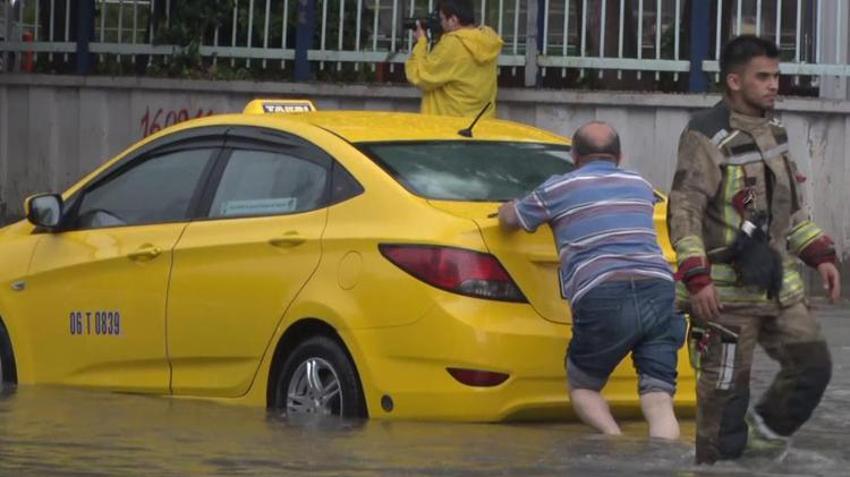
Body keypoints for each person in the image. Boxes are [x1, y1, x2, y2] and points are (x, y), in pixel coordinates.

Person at [668, 35, 841, 465]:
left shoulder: (775, 134)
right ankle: (722, 464)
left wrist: (820, 254)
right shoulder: (704, 134)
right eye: (762, 77)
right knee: (723, 411)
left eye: (776, 76)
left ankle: (761, 443)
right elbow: (685, 209)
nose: (773, 85)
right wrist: (696, 276)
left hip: (777, 287)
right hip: (723, 299)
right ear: (733, 81)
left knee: (813, 366)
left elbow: (789, 213)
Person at [499, 121, 684, 439]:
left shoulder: (558, 188)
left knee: (583, 387)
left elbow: (510, 220)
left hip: (603, 293)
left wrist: (507, 207)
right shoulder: (640, 183)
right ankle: (664, 462)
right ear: (620, 155)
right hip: (661, 290)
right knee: (659, 398)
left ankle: (611, 442)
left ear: (574, 156)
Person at [404, 0, 503, 118]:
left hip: (450, 126)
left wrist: (421, 42)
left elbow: (419, 76)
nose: (440, 23)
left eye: (441, 19)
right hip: (480, 124)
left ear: (453, 20)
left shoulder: (453, 44)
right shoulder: (486, 41)